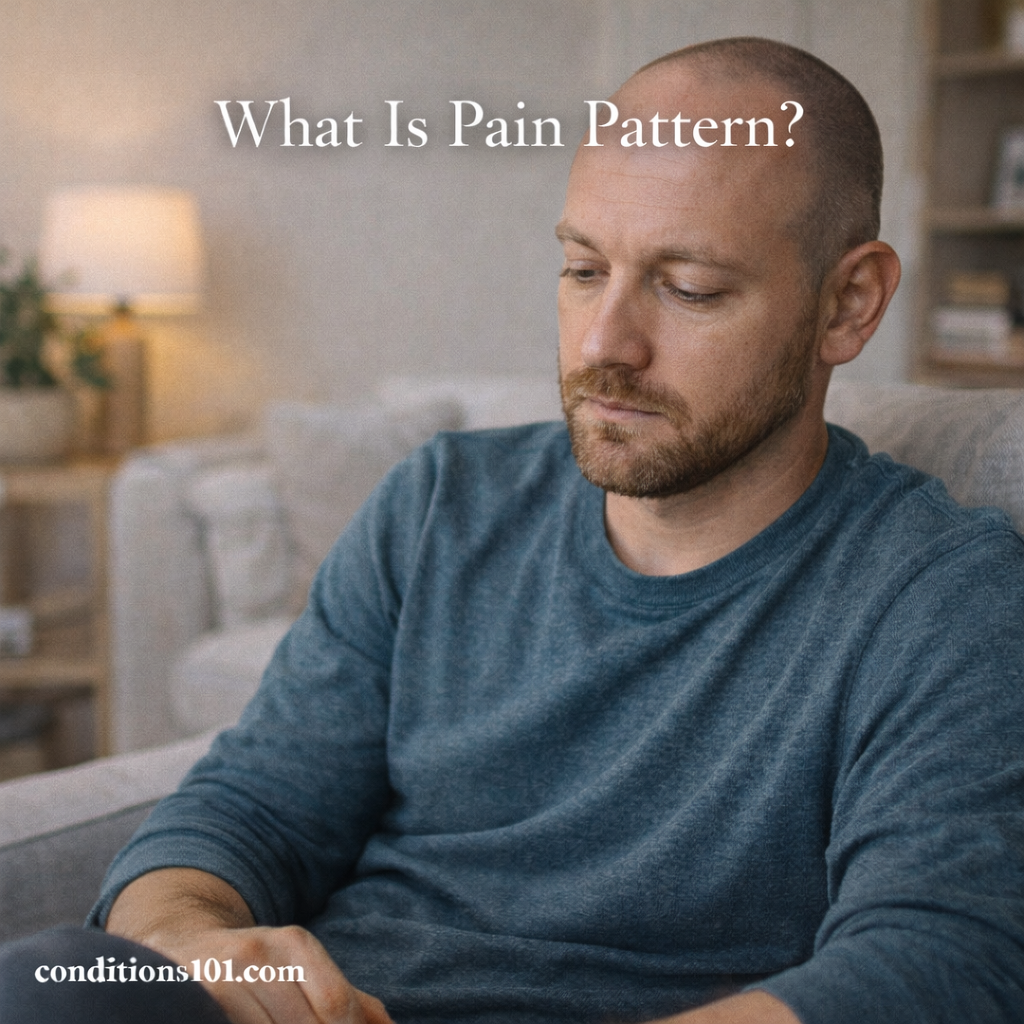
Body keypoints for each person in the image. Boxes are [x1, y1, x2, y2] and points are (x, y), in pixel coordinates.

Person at [3, 36, 1023, 1024]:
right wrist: (187, 941)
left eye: (689, 288)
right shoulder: (440, 504)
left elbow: (939, 964)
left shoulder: (941, 596)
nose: (603, 344)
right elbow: (250, 805)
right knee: (50, 979)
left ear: (849, 303)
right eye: (583, 269)